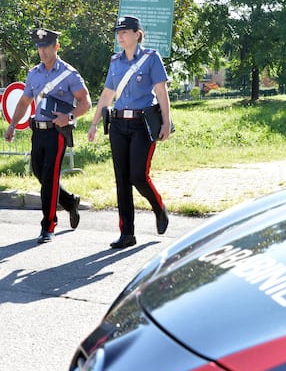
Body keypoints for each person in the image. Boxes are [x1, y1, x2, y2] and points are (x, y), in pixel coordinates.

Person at [88, 15, 172, 249]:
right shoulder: (115, 61)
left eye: (125, 31)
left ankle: (158, 207)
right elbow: (107, 94)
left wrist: (166, 123)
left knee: (138, 175)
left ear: (137, 34)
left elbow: (161, 92)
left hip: (142, 125)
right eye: (118, 32)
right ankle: (127, 233)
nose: (120, 35)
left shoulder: (151, 58)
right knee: (122, 179)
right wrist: (94, 123)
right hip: (118, 125)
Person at [4, 28, 92, 244]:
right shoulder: (34, 73)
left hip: (57, 132)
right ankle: (70, 202)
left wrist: (69, 116)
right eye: (39, 47)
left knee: (50, 177)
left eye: (46, 46)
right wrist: (13, 125)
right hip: (38, 132)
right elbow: (25, 102)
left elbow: (86, 102)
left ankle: (48, 225)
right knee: (39, 173)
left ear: (56, 47)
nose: (42, 51)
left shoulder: (69, 74)